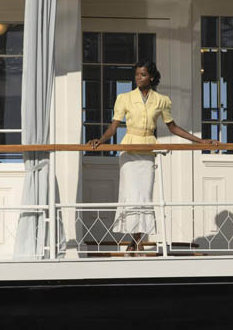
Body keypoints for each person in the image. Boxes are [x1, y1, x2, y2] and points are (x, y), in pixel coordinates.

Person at [88, 60, 216, 253]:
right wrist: (101, 140)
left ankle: (135, 240)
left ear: (152, 77)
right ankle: (136, 239)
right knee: (131, 195)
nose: (138, 78)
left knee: (144, 196)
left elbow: (172, 127)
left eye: (143, 75)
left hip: (148, 151)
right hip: (129, 151)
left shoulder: (161, 100)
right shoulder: (125, 98)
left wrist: (199, 141)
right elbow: (114, 125)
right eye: (137, 74)